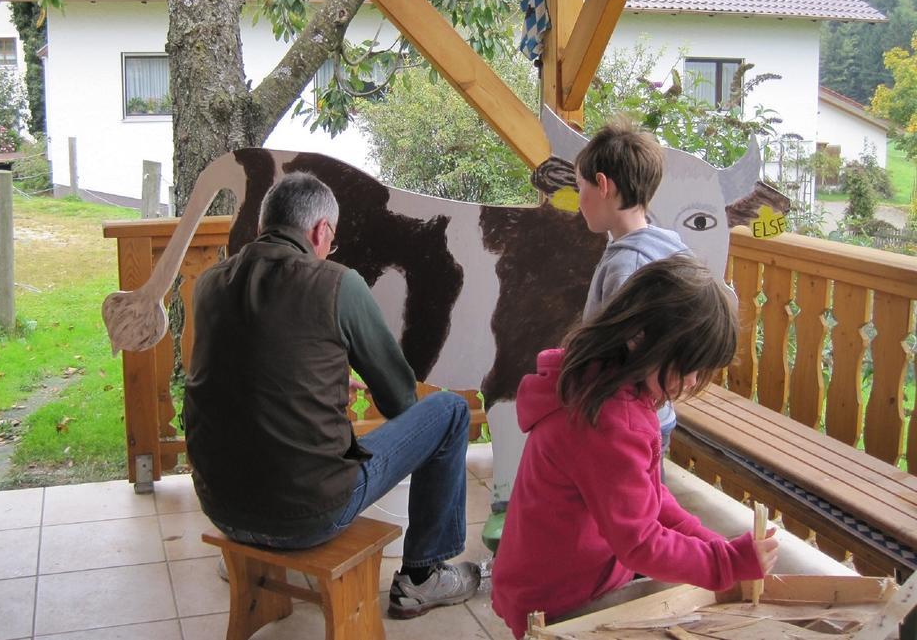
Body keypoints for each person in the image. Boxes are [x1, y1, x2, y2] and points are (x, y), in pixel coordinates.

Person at [183, 171, 480, 619]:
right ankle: (423, 576)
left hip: (219, 505)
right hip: (311, 514)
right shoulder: (337, 283)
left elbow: (248, 372)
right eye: (332, 241)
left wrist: (321, 375)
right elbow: (399, 398)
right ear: (321, 231)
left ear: (266, 224)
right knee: (452, 410)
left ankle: (253, 550)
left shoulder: (209, 284)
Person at [491, 256, 778, 637]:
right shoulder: (610, 421)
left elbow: (649, 496)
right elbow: (641, 543)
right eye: (687, 366)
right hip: (562, 602)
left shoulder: (599, 382)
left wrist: (715, 546)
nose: (691, 381)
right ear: (640, 337)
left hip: (549, 581)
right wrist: (725, 563)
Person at [575, 116, 688, 461]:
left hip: (628, 420)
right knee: (648, 501)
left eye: (580, 189)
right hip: (652, 417)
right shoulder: (670, 246)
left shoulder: (630, 265)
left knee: (633, 510)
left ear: (603, 185)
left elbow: (630, 354)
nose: (579, 201)